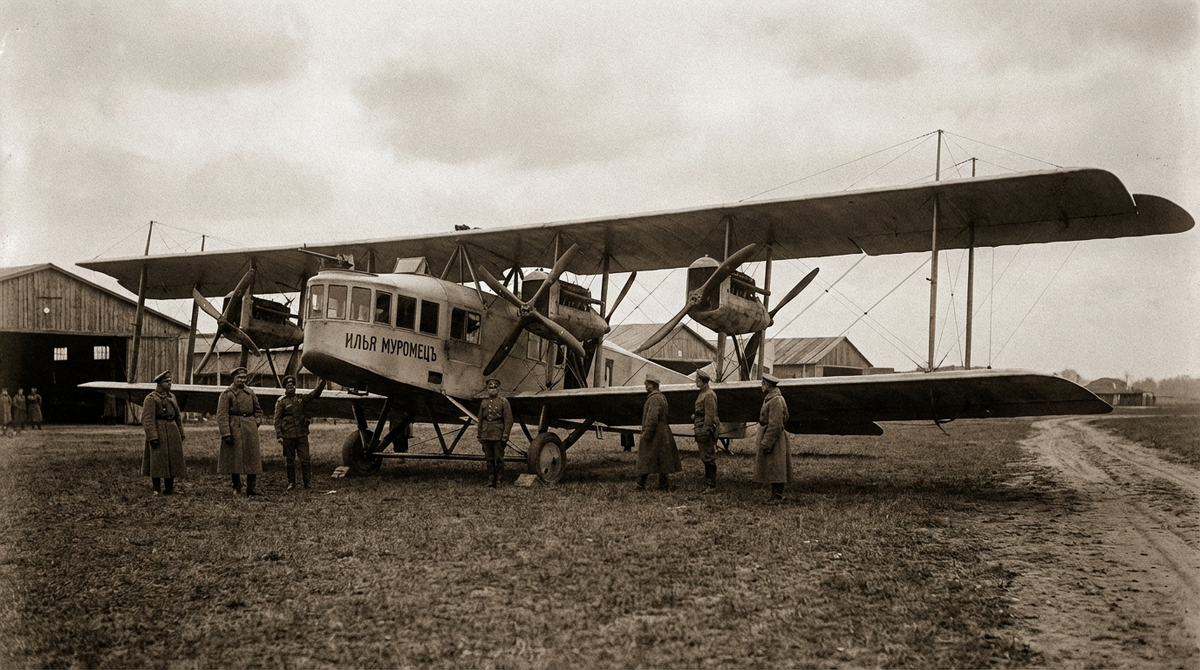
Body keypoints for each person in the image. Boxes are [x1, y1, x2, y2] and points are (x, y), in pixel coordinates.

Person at [216, 367, 264, 496]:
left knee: (252, 458)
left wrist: (256, 421)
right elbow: (222, 415)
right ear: (234, 378)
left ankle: (251, 488)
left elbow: (258, 410)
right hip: (234, 428)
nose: (242, 380)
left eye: (244, 377)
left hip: (250, 429)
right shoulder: (227, 394)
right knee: (235, 459)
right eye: (239, 378)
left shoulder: (250, 392)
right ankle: (236, 487)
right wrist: (226, 433)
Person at [273, 375, 326, 491]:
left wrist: (323, 382)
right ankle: (291, 482)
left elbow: (315, 394)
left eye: (292, 385)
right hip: (288, 435)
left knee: (305, 459)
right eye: (288, 385)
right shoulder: (281, 402)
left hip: (302, 435)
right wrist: (279, 435)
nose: (291, 387)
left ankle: (307, 483)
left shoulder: (301, 399)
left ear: (295, 387)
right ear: (285, 388)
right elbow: (277, 420)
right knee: (289, 461)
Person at [141, 371, 186, 495]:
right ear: (160, 384)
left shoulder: (172, 397)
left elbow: (177, 416)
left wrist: (181, 432)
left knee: (172, 459)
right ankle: (156, 488)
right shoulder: (151, 398)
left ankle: (169, 488)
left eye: (170, 381)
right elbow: (147, 419)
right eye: (167, 382)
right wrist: (152, 436)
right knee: (157, 460)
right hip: (158, 429)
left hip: (172, 430)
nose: (170, 384)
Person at [636, 375, 681, 491]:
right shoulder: (661, 397)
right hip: (662, 432)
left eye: (648, 384)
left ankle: (640, 485)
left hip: (655, 433)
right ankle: (663, 485)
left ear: (654, 385)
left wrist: (646, 433)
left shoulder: (654, 398)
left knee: (646, 458)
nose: (645, 386)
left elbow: (652, 418)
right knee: (663, 460)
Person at [755, 373, 793, 503]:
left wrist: (767, 442)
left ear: (767, 385)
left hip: (774, 439)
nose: (762, 386)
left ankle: (777, 496)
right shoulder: (772, 398)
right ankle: (776, 495)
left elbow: (776, 424)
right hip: (775, 437)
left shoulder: (775, 400)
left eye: (763, 384)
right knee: (775, 466)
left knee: (776, 467)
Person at [477, 378, 514, 487]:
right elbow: (480, 420)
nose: (492, 390)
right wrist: (480, 435)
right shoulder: (484, 402)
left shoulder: (504, 402)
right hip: (486, 433)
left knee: (498, 458)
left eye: (494, 388)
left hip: (498, 434)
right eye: (490, 388)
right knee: (489, 459)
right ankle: (490, 479)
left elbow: (509, 420)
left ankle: (499, 480)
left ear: (498, 389)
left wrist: (505, 434)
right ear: (487, 389)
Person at [692, 369, 719, 491]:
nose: (696, 382)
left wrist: (705, 431)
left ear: (703, 381)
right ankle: (709, 482)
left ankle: (711, 485)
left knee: (708, 457)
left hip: (705, 430)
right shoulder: (703, 393)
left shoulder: (709, 395)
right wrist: (696, 415)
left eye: (697, 380)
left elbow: (710, 416)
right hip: (701, 428)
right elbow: (703, 411)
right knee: (705, 456)